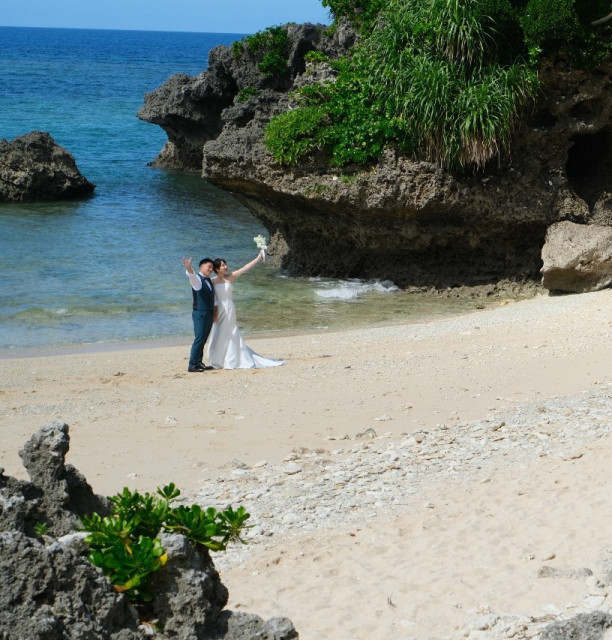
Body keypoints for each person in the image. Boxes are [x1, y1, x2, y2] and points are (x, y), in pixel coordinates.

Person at [207, 252, 285, 370]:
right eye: (222, 265)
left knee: (231, 331)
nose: (225, 267)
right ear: (217, 269)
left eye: (225, 264)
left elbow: (245, 268)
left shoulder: (230, 277)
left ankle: (231, 360)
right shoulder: (212, 281)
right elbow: (207, 293)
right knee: (219, 332)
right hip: (219, 310)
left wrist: (258, 258)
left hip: (229, 308)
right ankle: (218, 360)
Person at [182, 257, 217, 372]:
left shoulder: (209, 281)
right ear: (201, 267)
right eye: (209, 267)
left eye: (212, 268)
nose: (211, 269)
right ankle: (192, 365)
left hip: (209, 313)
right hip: (200, 313)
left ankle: (199, 362)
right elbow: (191, 275)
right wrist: (188, 266)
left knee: (203, 339)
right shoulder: (197, 279)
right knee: (199, 339)